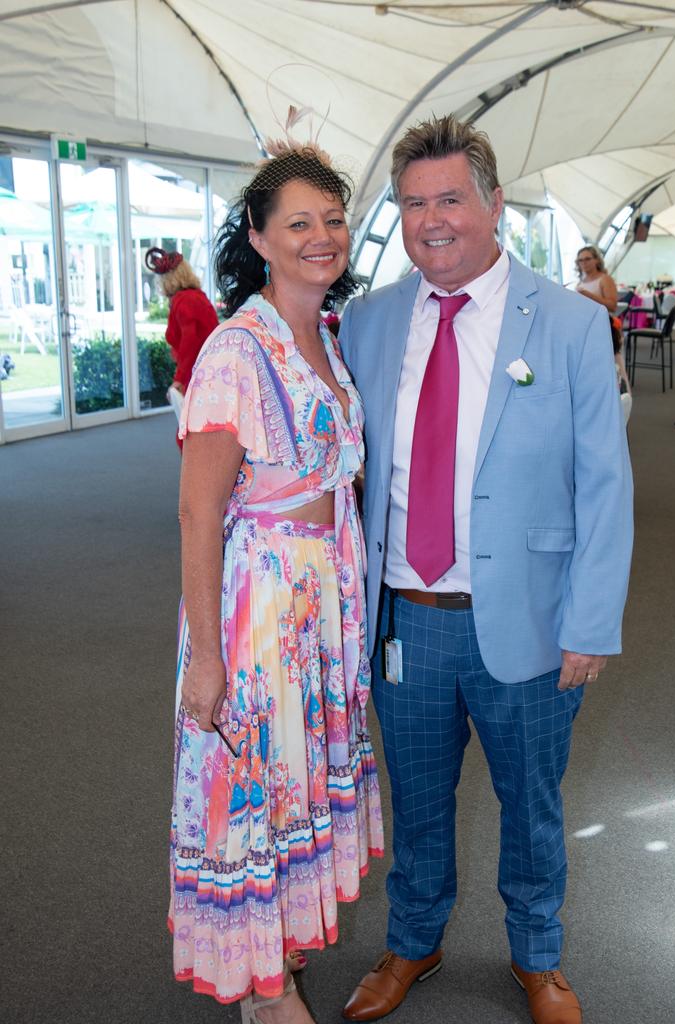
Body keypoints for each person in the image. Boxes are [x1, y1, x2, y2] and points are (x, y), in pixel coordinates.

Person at [339, 116, 633, 1024]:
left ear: (493, 204)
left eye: (451, 199)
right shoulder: (367, 320)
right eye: (414, 203)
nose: (432, 220)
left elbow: (605, 486)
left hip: (533, 618)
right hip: (407, 617)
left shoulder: (576, 325)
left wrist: (591, 623)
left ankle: (537, 955)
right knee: (418, 799)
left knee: (532, 803)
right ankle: (413, 941)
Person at [168, 144, 384, 1024]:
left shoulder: (325, 337)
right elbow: (196, 514)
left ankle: (282, 950)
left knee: (298, 784)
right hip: (259, 612)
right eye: (298, 222)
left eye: (333, 219)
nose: (321, 237)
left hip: (320, 607)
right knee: (258, 793)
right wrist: (207, 662)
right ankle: (263, 991)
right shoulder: (234, 350)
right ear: (259, 237)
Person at [145, 247, 219, 431]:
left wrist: (179, 379)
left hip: (197, 373)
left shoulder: (184, 301)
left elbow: (190, 344)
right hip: (209, 370)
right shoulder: (196, 297)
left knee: (190, 432)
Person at [574, 245, 618, 314]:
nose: (584, 262)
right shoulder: (580, 282)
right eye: (580, 260)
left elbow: (613, 306)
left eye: (587, 259)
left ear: (596, 260)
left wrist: (588, 295)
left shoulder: (605, 279)